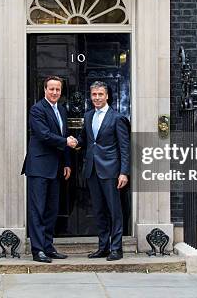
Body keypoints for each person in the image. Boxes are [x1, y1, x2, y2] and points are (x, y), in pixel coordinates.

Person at [69, 81, 130, 261]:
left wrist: (124, 172)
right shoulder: (88, 116)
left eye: (100, 94)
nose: (96, 98)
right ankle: (103, 247)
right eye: (94, 94)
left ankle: (116, 249)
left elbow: (124, 148)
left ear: (107, 96)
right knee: (99, 211)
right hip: (92, 171)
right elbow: (85, 140)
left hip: (111, 171)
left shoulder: (117, 118)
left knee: (114, 211)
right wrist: (75, 142)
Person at [21, 76, 75, 263]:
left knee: (52, 210)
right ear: (44, 90)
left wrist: (67, 162)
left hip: (56, 167)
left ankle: (48, 246)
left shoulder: (61, 109)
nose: (54, 92)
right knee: (38, 210)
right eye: (51, 89)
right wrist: (66, 142)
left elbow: (63, 135)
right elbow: (43, 135)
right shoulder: (37, 109)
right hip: (39, 168)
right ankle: (38, 250)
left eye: (58, 89)